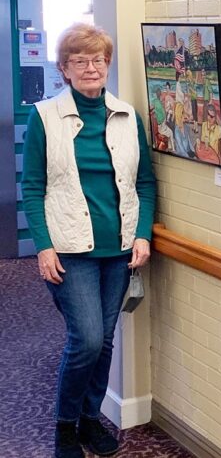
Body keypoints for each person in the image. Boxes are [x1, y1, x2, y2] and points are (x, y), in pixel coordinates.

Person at [21, 23, 157, 458]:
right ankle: (65, 427)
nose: (91, 68)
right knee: (88, 340)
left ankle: (88, 419)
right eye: (80, 61)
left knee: (107, 339)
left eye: (98, 59)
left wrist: (142, 234)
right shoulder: (44, 117)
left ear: (107, 64)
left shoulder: (127, 116)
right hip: (69, 250)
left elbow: (147, 183)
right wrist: (43, 245)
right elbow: (32, 187)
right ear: (64, 68)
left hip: (118, 248)